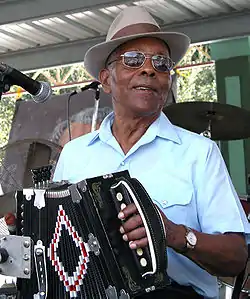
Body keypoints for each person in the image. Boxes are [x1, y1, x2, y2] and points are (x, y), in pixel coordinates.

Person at [53, 6, 250, 299]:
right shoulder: (74, 155)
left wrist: (172, 234)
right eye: (133, 60)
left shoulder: (199, 153)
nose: (149, 69)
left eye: (161, 63)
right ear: (106, 80)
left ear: (168, 79)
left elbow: (236, 258)